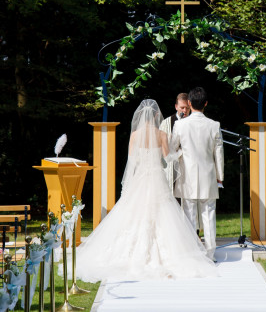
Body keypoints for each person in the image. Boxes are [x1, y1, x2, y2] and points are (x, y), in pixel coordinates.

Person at [75, 99, 217, 283]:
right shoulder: (162, 135)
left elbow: (131, 161)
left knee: (134, 214)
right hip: (156, 177)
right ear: (157, 116)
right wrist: (182, 153)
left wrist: (127, 186)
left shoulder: (134, 135)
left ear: (140, 117)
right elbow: (169, 158)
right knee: (162, 214)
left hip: (140, 179)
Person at [172, 87, 224, 261]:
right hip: (208, 176)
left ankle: (191, 254)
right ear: (206, 104)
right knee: (209, 215)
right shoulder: (214, 125)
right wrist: (220, 176)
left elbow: (172, 149)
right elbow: (219, 154)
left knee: (189, 215)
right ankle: (210, 254)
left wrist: (182, 157)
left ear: (189, 103)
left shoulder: (180, 124)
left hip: (187, 176)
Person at [159, 93, 190, 195]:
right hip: (171, 166)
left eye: (187, 108)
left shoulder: (193, 122)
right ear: (176, 106)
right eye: (182, 108)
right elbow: (160, 146)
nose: (184, 111)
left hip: (189, 166)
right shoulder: (166, 123)